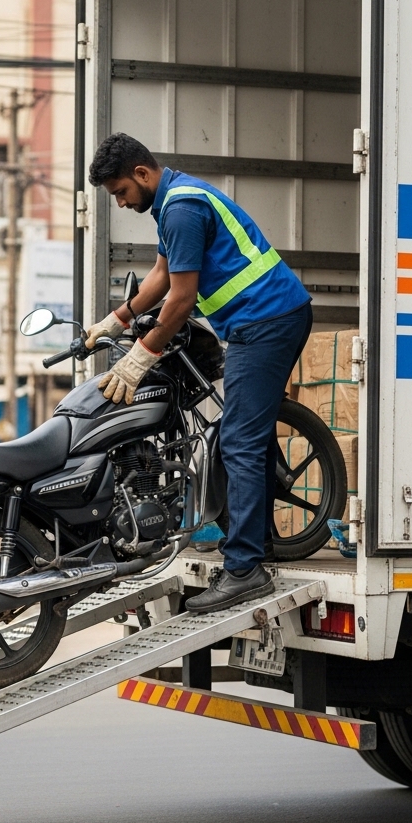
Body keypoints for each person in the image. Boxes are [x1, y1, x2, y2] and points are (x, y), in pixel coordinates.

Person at [84, 133, 312, 615]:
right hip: (265, 319)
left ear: (141, 173)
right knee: (247, 433)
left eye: (121, 192)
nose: (121, 203)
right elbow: (160, 275)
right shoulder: (174, 201)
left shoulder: (183, 209)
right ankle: (259, 543)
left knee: (239, 442)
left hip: (265, 321)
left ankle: (245, 570)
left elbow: (182, 298)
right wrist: (115, 320)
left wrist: (141, 356)